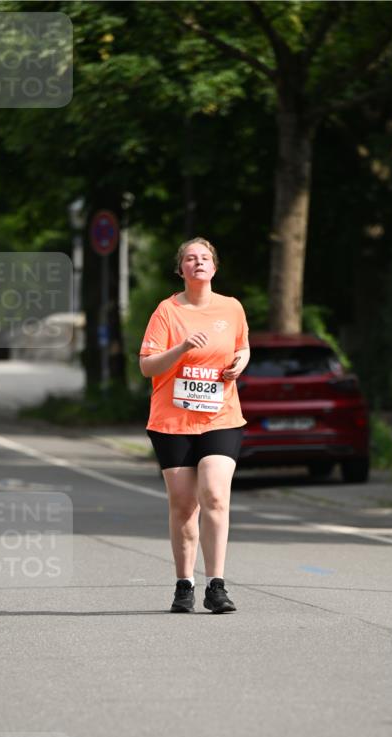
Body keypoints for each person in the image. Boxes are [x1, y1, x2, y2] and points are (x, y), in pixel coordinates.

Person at [139, 237, 250, 614]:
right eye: (190, 258)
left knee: (215, 495)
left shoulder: (232, 308)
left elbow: (242, 345)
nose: (198, 262)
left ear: (214, 268)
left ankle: (216, 585)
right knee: (184, 506)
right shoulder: (167, 312)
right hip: (173, 421)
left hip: (221, 416)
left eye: (205, 258)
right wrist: (182, 348)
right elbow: (147, 366)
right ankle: (184, 584)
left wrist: (242, 362)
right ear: (181, 269)